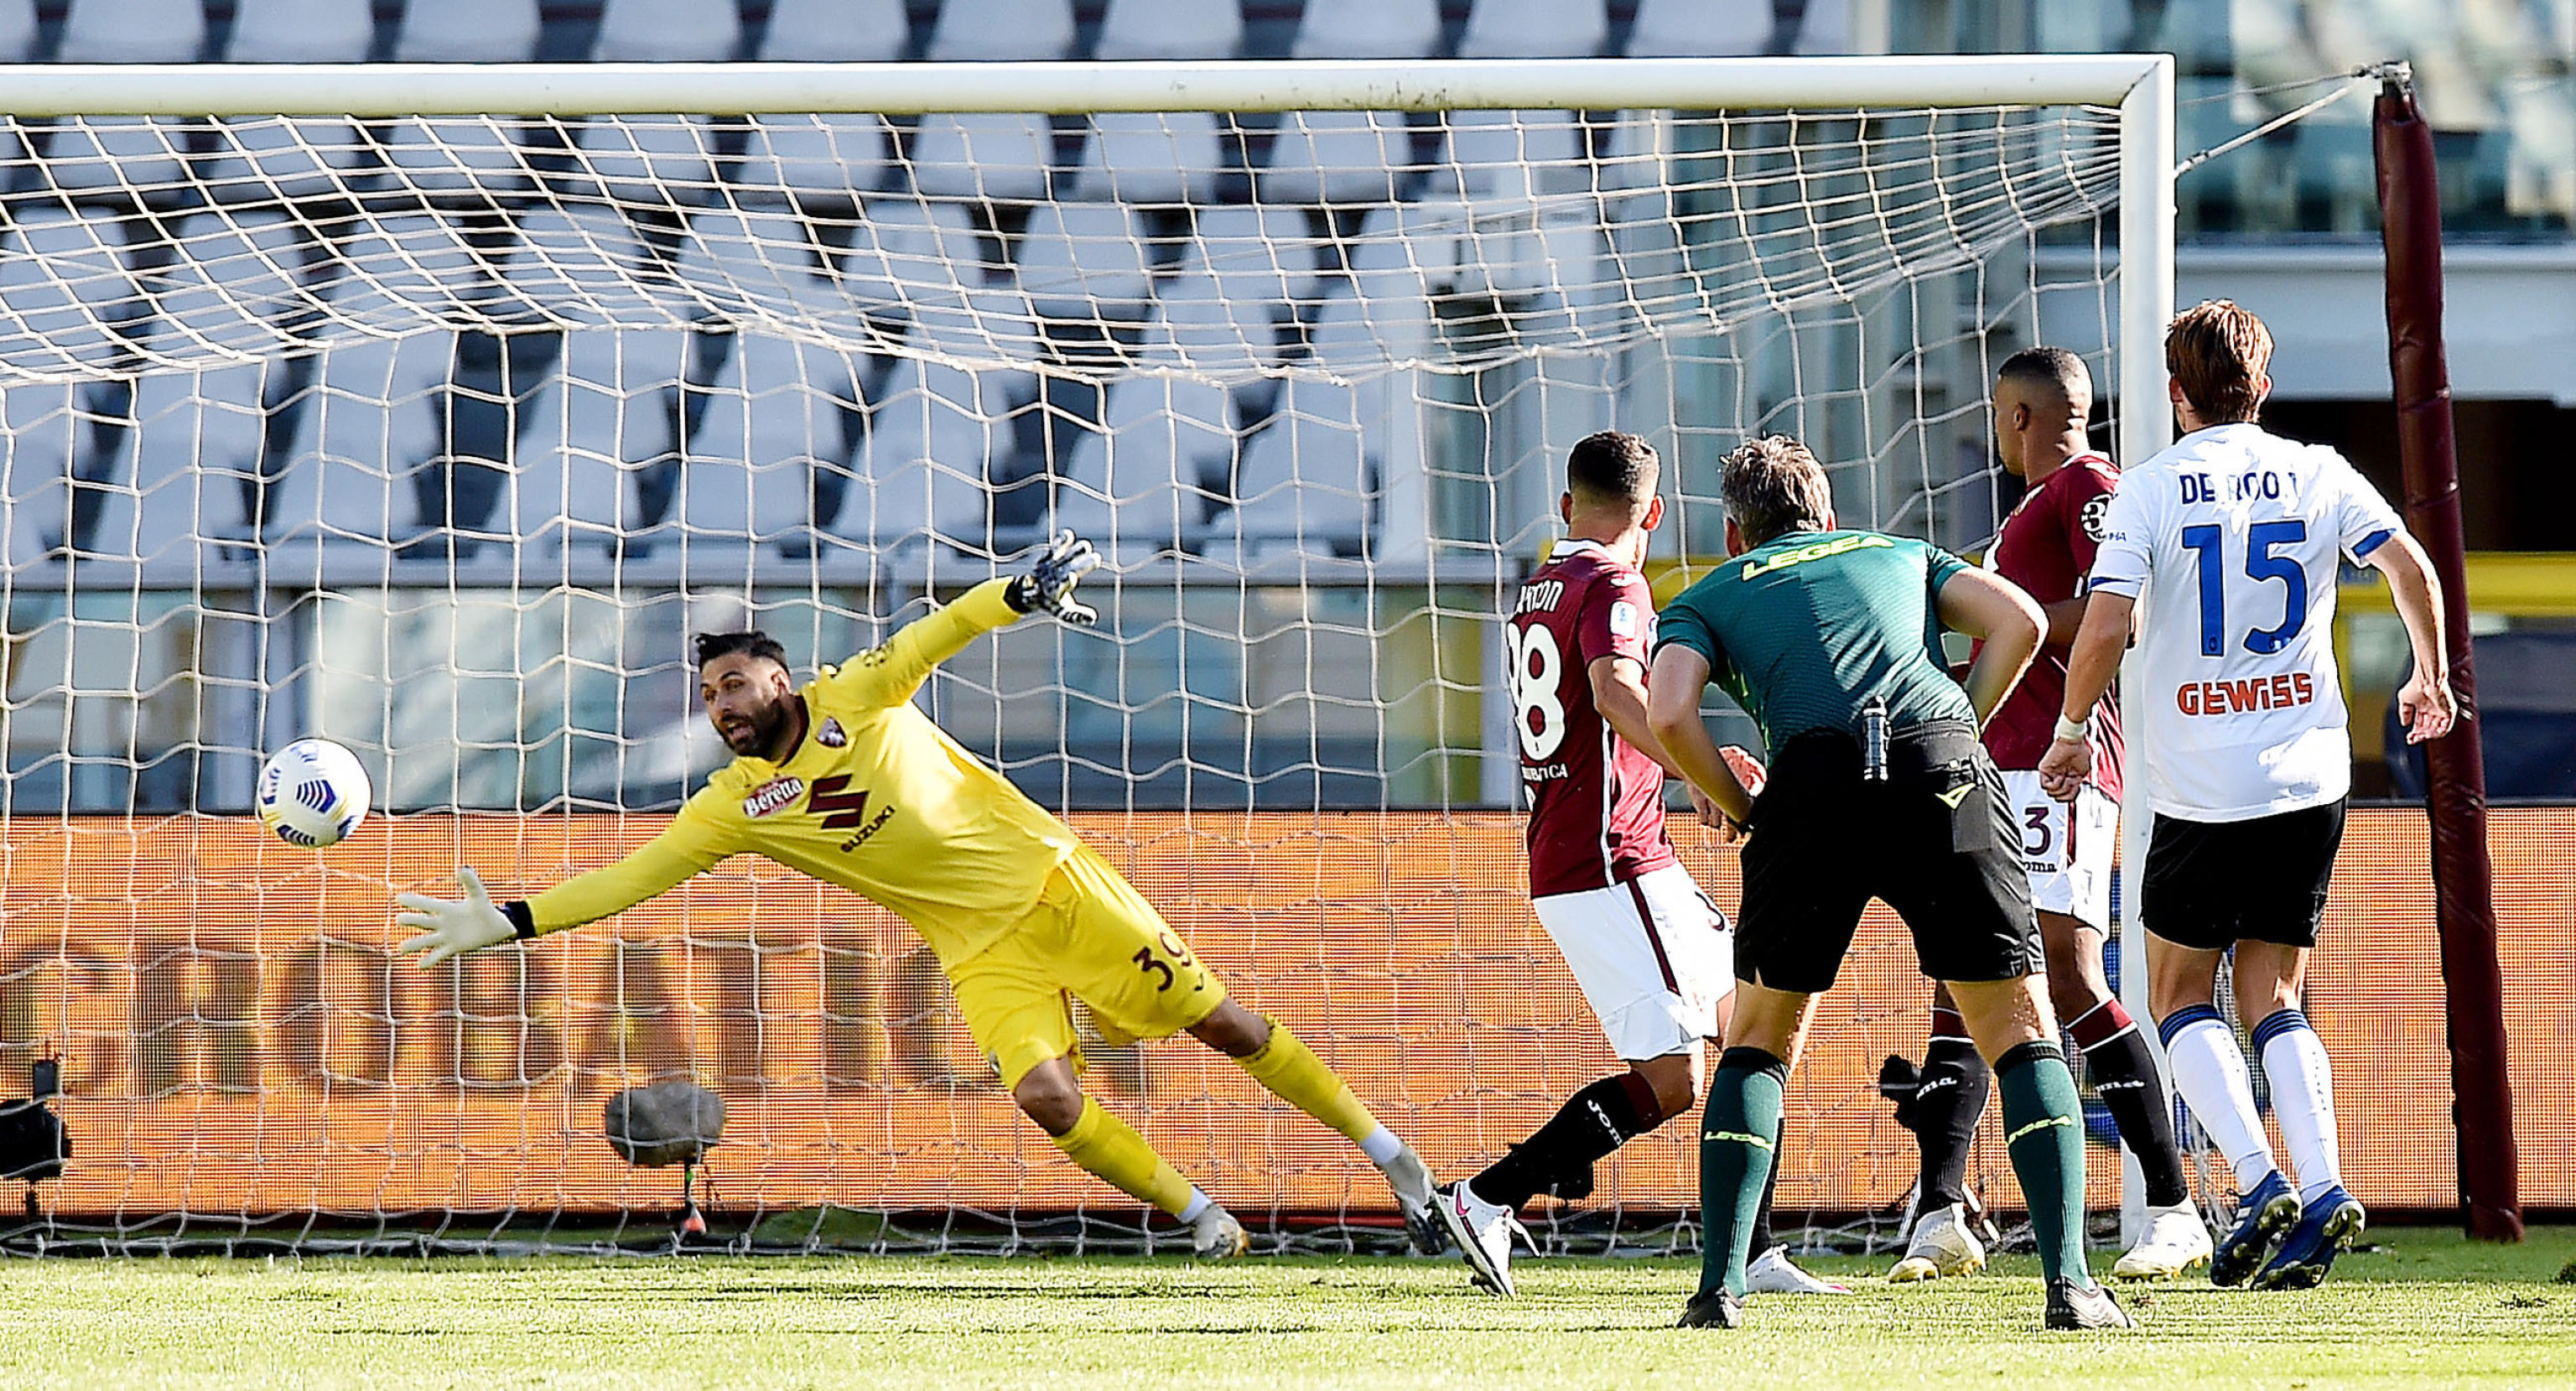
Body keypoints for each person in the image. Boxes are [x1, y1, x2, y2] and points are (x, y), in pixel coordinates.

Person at [391, 532, 1442, 1259]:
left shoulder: (858, 696)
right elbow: (634, 877)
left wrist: (1016, 597)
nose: (721, 707)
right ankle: (1206, 1216)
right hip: (976, 947)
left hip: (1055, 888)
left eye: (736, 685)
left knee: (1226, 1025)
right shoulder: (732, 806)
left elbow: (938, 634)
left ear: (783, 679)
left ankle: (1394, 1164)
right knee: (1046, 1098)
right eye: (709, 695)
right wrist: (512, 919)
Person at [1646, 435, 2131, 1331]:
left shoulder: (1707, 595)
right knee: (2022, 1030)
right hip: (1941, 766)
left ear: (1733, 530)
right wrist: (1959, 727)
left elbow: (1668, 710)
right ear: (1828, 515)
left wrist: (1736, 802)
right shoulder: (1901, 552)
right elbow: (2020, 619)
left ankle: (1719, 1290)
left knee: (1758, 1038)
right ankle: (2071, 1284)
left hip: (1810, 783)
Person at [2038, 301, 2457, 1290]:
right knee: (2275, 993)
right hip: (2309, 779)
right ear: (2262, 387)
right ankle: (2323, 1187)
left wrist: (2067, 733)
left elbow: (2102, 627)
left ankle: (2261, 1178)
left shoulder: (2149, 489)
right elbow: (2410, 564)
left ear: (2176, 396)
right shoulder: (2320, 470)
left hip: (2198, 786)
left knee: (2179, 994)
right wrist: (2427, 675)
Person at [1436, 432, 1844, 1300]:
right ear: (1654, 515)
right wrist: (1711, 767)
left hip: (1616, 855)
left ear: (1565, 509)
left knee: (1751, 1022)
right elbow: (1618, 691)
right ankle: (1486, 1197)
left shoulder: (1540, 585)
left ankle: (1754, 1250)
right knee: (1678, 1078)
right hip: (1607, 861)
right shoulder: (1616, 581)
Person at [1885, 348, 2210, 1285]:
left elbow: (2125, 609)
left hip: (2062, 771)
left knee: (2067, 971)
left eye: (1997, 413)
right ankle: (1941, 1211)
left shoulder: (2088, 484)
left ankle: (2174, 1203)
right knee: (1966, 974)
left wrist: (2006, 621)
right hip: (1996, 770)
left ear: (2019, 415)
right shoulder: (2026, 510)